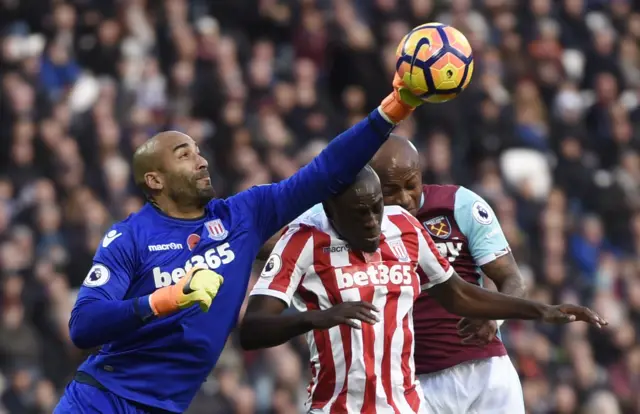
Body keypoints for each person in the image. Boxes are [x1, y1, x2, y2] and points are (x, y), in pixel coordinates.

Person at [53, 75, 422, 413]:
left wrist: (393, 108)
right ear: (154, 180)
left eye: (198, 151)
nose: (201, 161)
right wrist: (167, 298)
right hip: (101, 400)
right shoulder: (129, 237)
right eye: (184, 155)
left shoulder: (243, 216)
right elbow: (83, 325)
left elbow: (324, 171)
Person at [240, 166, 605, 414]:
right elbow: (253, 329)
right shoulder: (303, 240)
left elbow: (458, 294)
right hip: (337, 406)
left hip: (407, 405)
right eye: (359, 214)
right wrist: (318, 318)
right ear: (331, 213)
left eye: (376, 209)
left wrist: (541, 310)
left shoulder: (402, 225)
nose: (372, 223)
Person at [369, 135, 528, 412]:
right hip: (416, 384)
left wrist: (494, 317)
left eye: (411, 185)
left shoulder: (459, 203)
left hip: (487, 373)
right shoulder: (359, 228)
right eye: (391, 189)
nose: (405, 198)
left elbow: (511, 279)